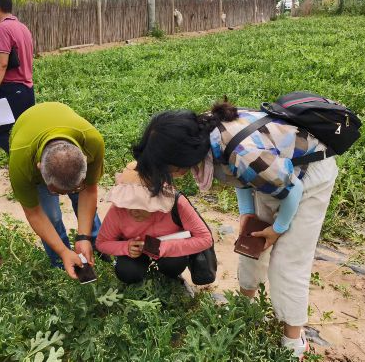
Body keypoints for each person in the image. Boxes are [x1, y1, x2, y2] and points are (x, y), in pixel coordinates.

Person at [132, 99, 338, 360]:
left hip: (307, 179)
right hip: (273, 173)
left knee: (288, 263)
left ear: (184, 157)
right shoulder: (201, 132)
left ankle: (294, 340)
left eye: (169, 168)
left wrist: (278, 228)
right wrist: (247, 213)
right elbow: (241, 175)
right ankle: (245, 307)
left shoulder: (244, 154)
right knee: (251, 244)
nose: (169, 174)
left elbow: (291, 189)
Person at [9, 102, 104, 278]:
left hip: (65, 127)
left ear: (85, 159)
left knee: (82, 202)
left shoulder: (91, 142)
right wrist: (63, 251)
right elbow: (34, 213)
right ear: (39, 169)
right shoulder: (21, 162)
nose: (63, 195)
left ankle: (98, 246)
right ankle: (60, 263)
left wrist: (83, 236)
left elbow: (89, 191)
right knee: (51, 215)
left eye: (77, 187)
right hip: (26, 132)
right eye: (55, 191)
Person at [96, 161, 212, 284]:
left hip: (167, 248)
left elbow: (205, 239)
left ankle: (169, 277)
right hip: (137, 250)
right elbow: (102, 242)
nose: (133, 211)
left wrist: (161, 247)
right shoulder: (118, 209)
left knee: (174, 264)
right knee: (127, 271)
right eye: (129, 203)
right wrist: (126, 247)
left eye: (140, 204)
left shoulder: (177, 203)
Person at [0, 0, 35, 154]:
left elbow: (1, 63)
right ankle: (32, 167)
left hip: (12, 90)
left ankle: (25, 164)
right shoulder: (22, 27)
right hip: (27, 90)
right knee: (23, 133)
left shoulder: (2, 28)